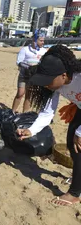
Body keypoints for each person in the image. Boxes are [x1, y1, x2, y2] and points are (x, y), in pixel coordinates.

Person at [17, 44, 81, 206]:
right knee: (70, 142)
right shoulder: (55, 85)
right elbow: (47, 113)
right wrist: (31, 130)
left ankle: (74, 193)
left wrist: (80, 133)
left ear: (64, 76)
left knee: (78, 146)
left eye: (47, 80)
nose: (45, 84)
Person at [11, 31, 47, 113]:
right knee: (20, 93)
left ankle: (25, 114)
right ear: (35, 40)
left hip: (34, 77)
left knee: (29, 96)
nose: (43, 42)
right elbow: (19, 61)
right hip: (24, 75)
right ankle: (12, 111)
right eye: (41, 40)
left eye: (43, 40)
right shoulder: (25, 49)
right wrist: (27, 67)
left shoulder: (43, 51)